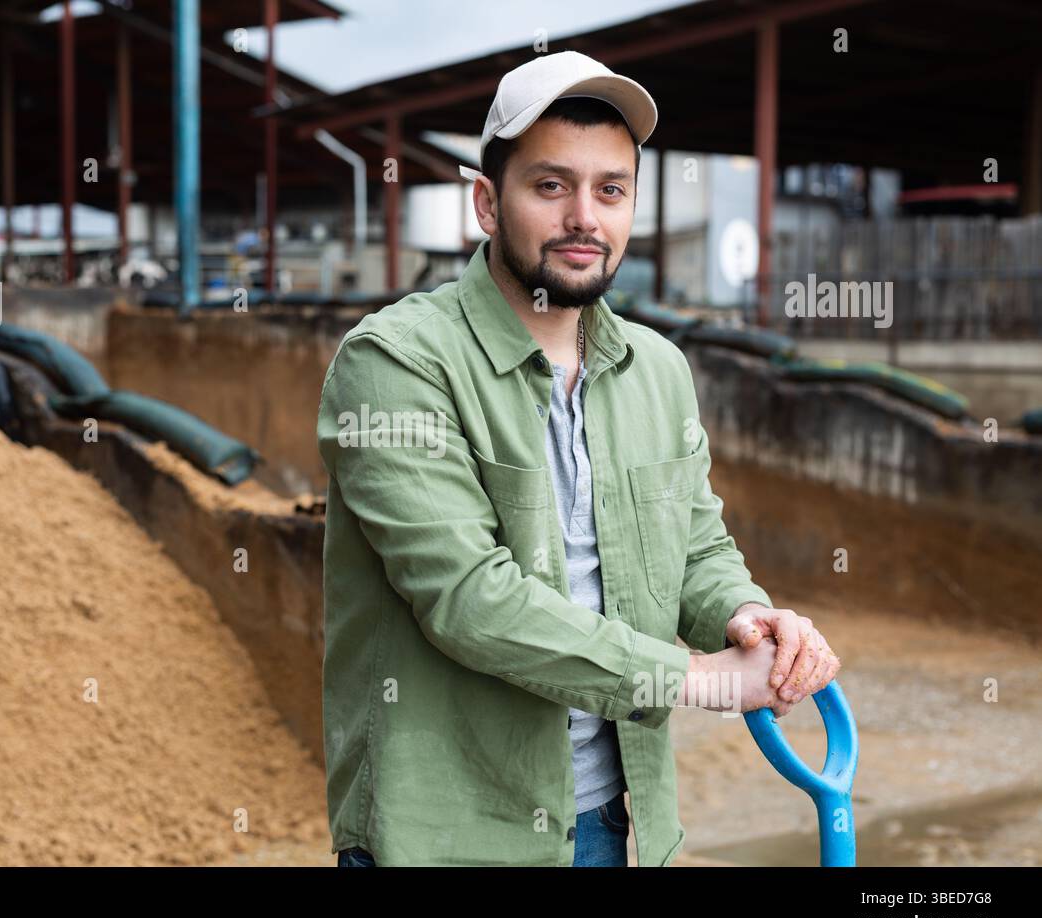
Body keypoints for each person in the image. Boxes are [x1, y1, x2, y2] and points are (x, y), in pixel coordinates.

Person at [317, 50, 840, 868]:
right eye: (551, 186)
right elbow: (468, 598)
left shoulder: (657, 370)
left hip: (613, 825)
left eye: (611, 189)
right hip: (447, 837)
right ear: (488, 203)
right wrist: (696, 679)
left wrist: (742, 613)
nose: (585, 219)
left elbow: (696, 547)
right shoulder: (393, 363)